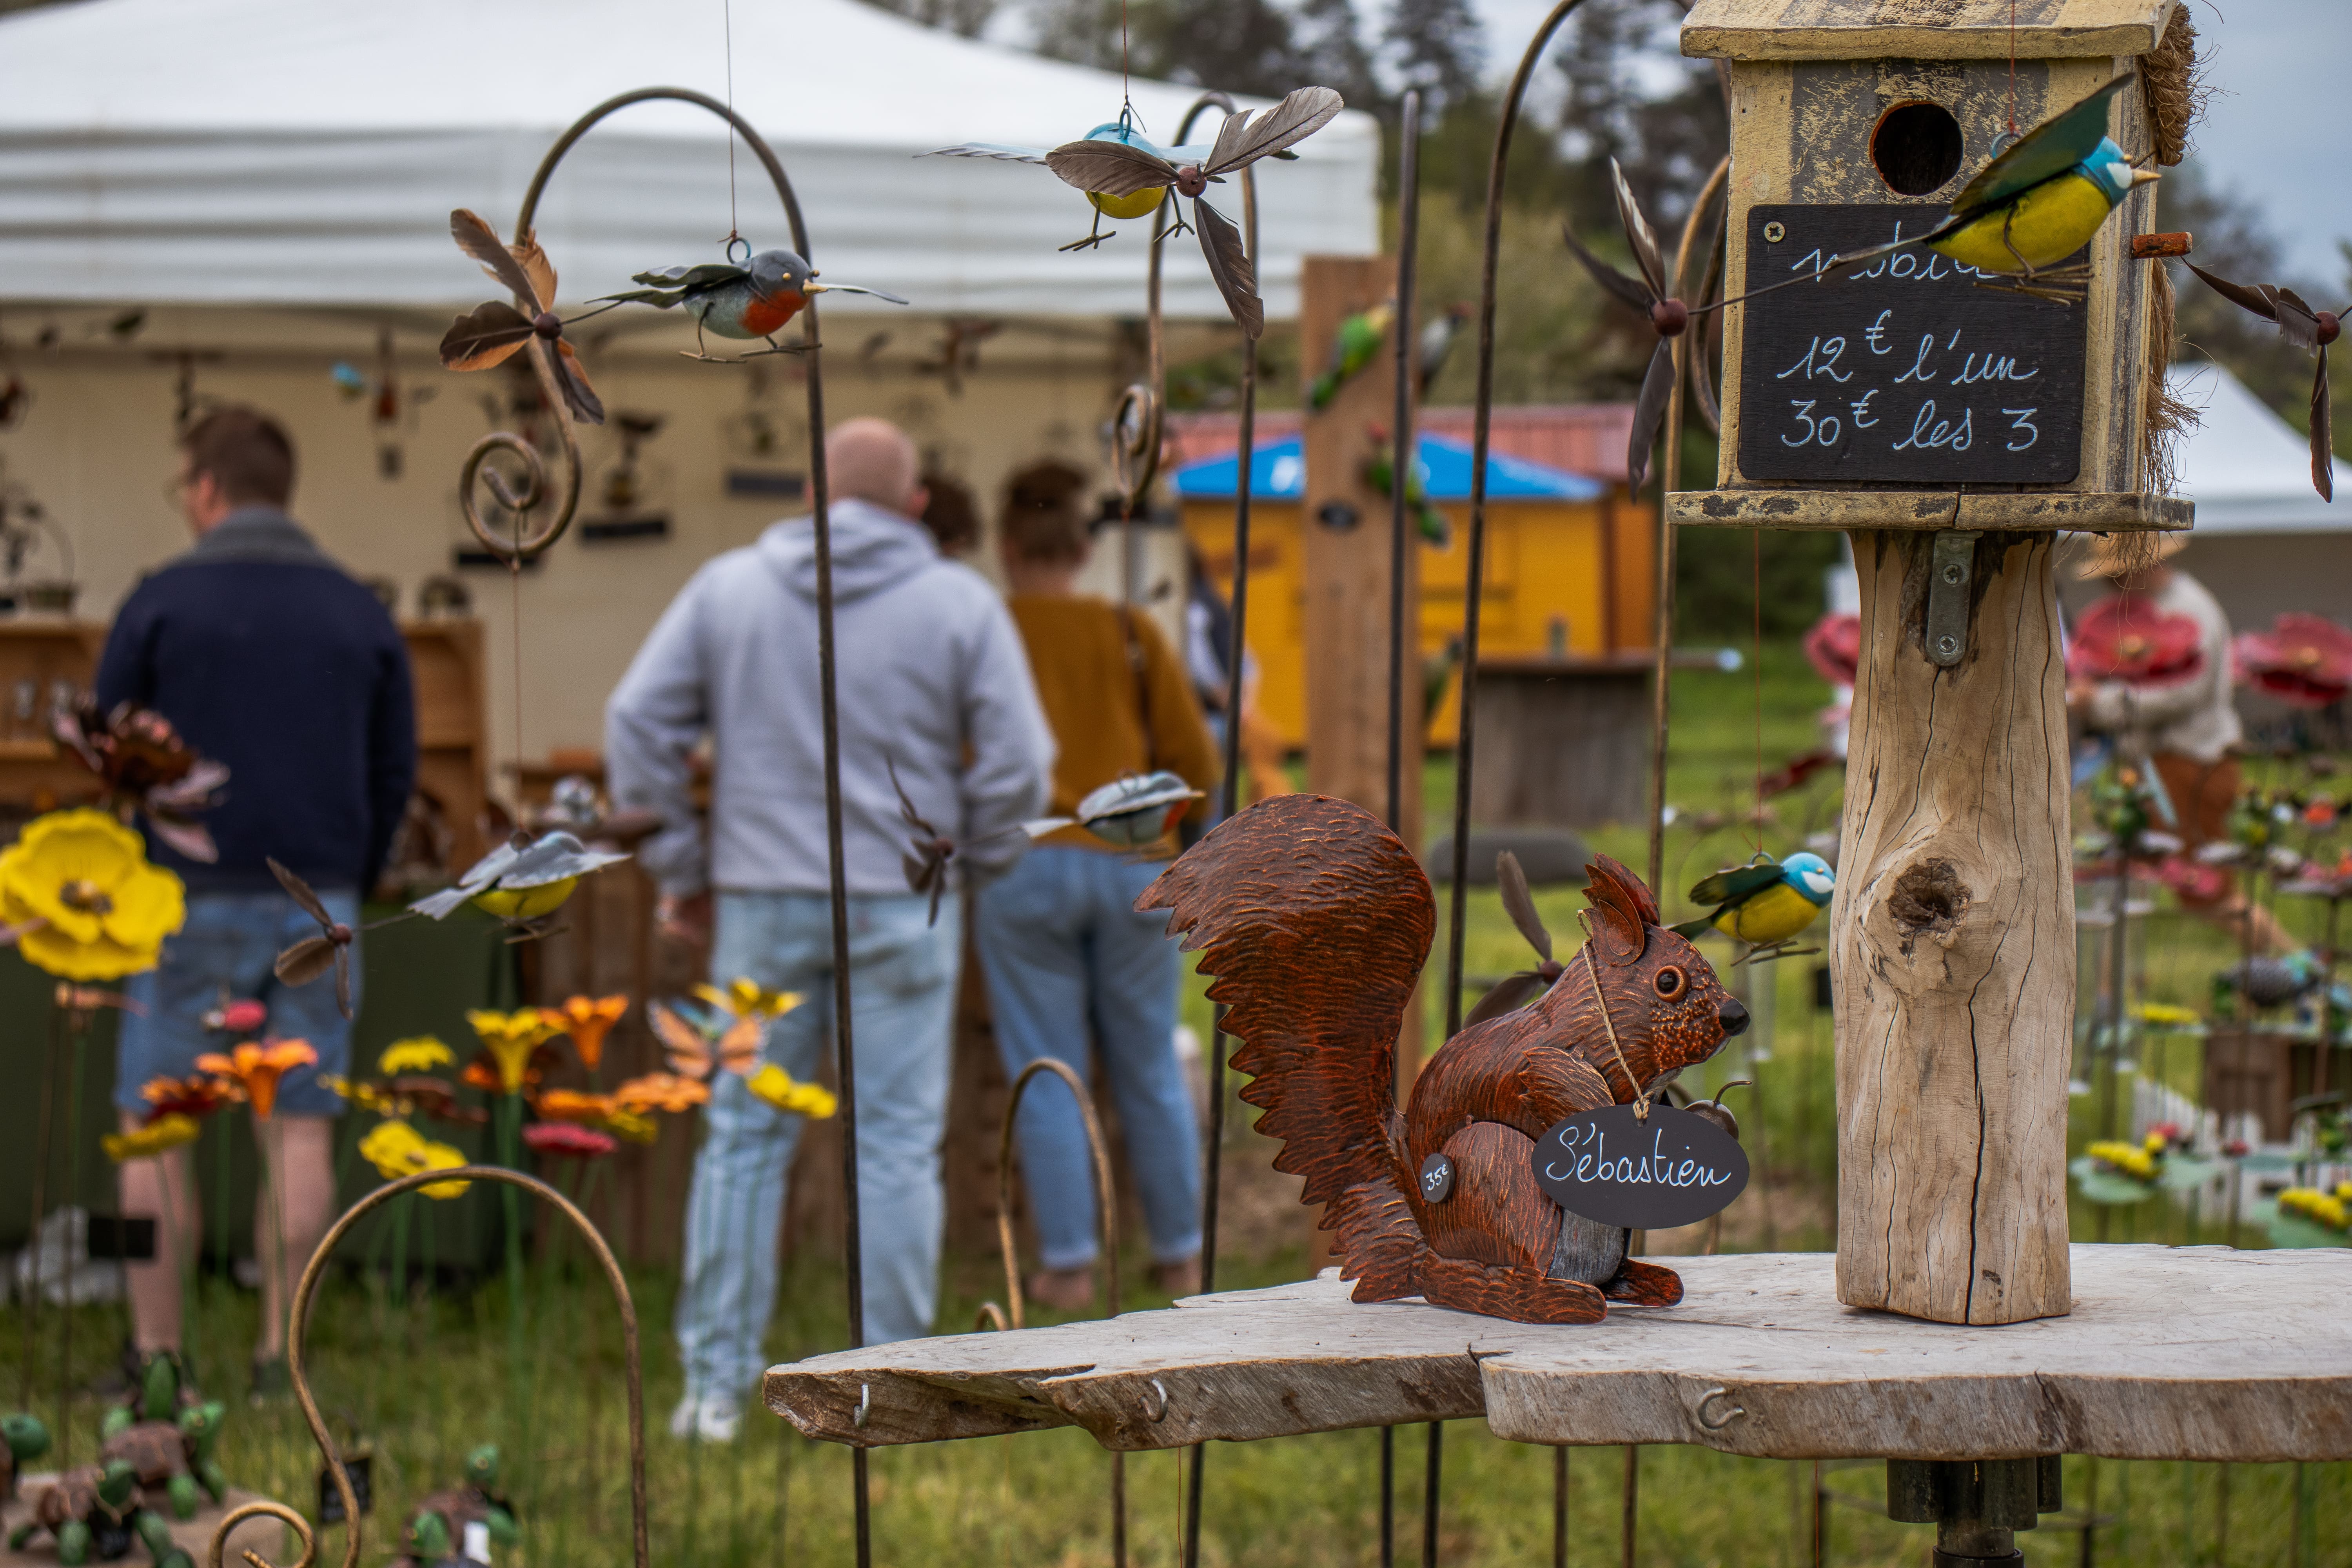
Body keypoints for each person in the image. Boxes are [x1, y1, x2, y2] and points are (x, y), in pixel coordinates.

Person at [607, 417, 1053, 1442]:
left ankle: (711, 1397)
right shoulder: (959, 602)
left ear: (809, 494)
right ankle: (890, 1392)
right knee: (895, 1143)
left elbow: (637, 723)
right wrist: (970, 864)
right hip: (903, 900)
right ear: (915, 505)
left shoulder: (729, 588)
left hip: (761, 900)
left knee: (742, 1140)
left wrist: (684, 868)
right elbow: (1023, 764)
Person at [98, 406, 416, 1397]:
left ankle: (157, 1357)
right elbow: (395, 769)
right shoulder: (359, 611)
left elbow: (110, 752)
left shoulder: (159, 601)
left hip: (177, 901)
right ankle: (283, 1360)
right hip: (320, 904)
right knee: (302, 1125)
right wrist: (354, 868)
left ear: (205, 489)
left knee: (153, 1127)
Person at [976, 463, 1220, 1312]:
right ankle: (1182, 1258)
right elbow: (1196, 758)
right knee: (1148, 1060)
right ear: (1084, 549)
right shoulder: (1129, 629)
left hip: (1025, 860)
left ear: (1005, 547)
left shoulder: (987, 632)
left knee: (1048, 1067)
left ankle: (1070, 1267)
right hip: (1132, 861)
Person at [2067, 534, 2288, 951]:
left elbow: (2184, 693)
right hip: (2163, 764)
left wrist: (2098, 703)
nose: (2112, 586)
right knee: (2137, 879)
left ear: (2142, 565)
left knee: (2207, 891)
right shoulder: (2158, 608)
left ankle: (2292, 971)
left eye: (2117, 575)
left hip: (2192, 764)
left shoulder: (2188, 609)